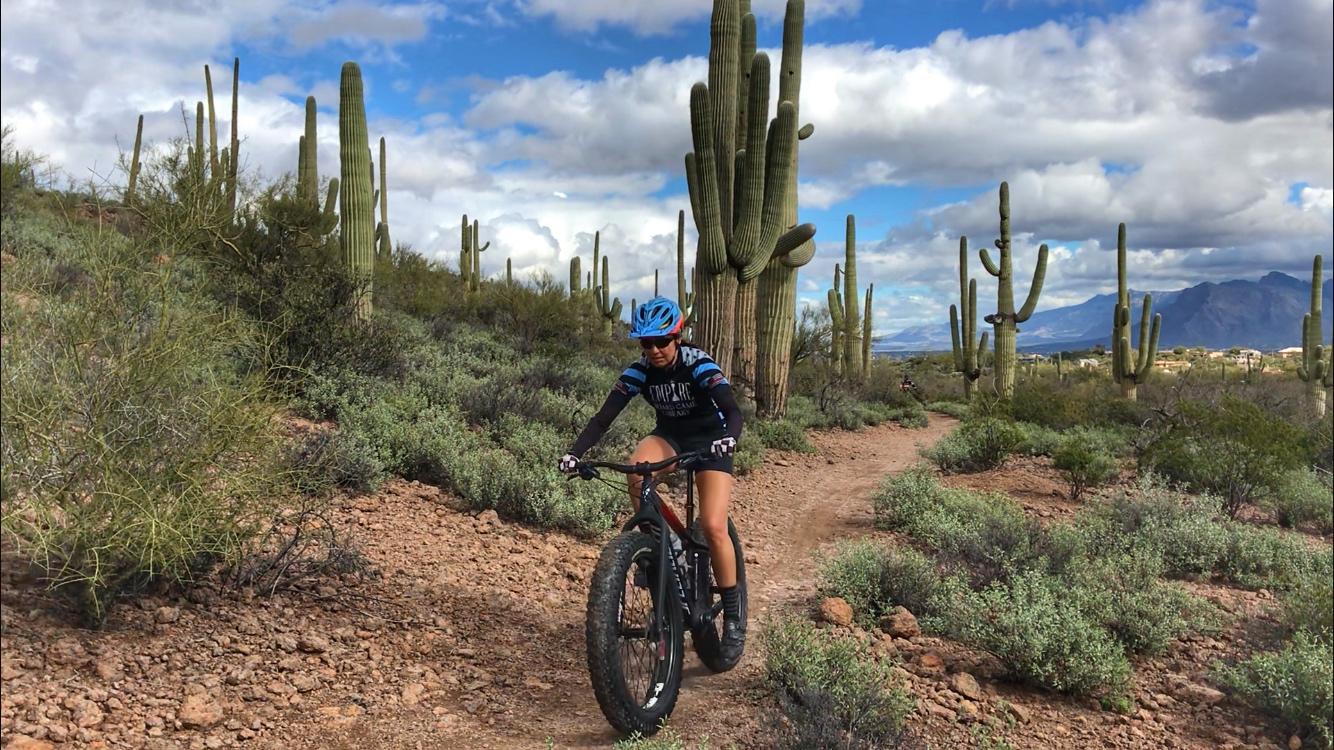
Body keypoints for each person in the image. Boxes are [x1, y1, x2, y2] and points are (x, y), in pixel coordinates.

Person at [558, 296, 745, 661]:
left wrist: (729, 439)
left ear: (678, 336)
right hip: (670, 436)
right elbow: (603, 418)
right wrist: (574, 452)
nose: (655, 350)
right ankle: (660, 547)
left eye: (662, 341)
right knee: (636, 472)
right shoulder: (639, 371)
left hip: (711, 440)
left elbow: (732, 410)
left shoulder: (698, 364)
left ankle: (735, 617)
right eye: (646, 343)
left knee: (712, 524)